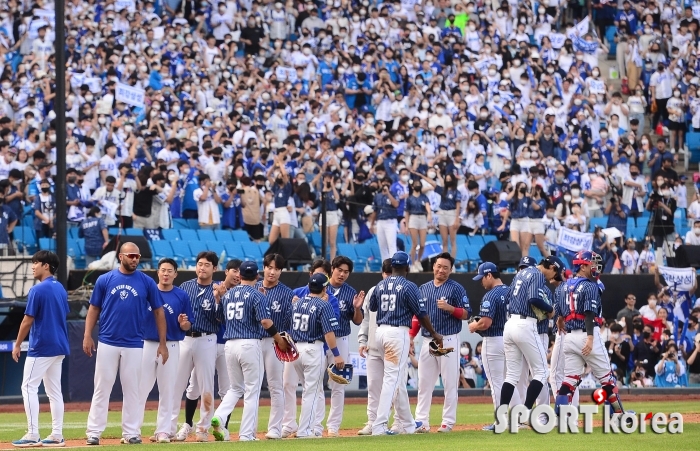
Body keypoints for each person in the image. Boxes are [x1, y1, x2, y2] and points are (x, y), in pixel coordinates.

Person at [83, 242, 168, 445]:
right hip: (107, 340)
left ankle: (131, 432)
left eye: (137, 256)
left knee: (132, 389)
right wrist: (87, 335)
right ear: (120, 256)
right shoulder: (105, 280)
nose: (135, 259)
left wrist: (163, 343)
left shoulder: (147, 282)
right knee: (102, 387)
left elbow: (159, 312)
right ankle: (94, 432)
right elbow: (94, 309)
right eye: (131, 255)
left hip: (133, 343)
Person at [210, 261, 290, 442]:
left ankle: (220, 416)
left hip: (230, 344)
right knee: (252, 390)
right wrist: (279, 339)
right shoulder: (257, 295)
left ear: (240, 276)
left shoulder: (229, 295)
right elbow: (266, 322)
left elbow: (219, 318)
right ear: (257, 277)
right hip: (249, 343)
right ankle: (246, 434)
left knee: (235, 388)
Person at [368, 251, 443, 435]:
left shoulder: (380, 284)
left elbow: (372, 307)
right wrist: (433, 333)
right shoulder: (409, 286)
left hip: (380, 332)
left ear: (392, 267)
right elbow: (421, 313)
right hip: (396, 333)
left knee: (398, 380)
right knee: (392, 379)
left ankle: (408, 425)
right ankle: (379, 425)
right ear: (407, 267)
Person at [554, 251, 629, 422]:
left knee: (569, 381)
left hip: (569, 337)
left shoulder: (562, 286)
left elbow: (558, 313)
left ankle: (560, 418)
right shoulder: (590, 286)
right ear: (582, 265)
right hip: (588, 335)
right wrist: (589, 338)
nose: (594, 267)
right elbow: (589, 314)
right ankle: (618, 416)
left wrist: (559, 321)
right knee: (608, 380)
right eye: (591, 264)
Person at [11, 251, 69, 447]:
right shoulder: (60, 287)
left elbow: (28, 320)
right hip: (60, 345)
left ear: (46, 266)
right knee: (54, 392)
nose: (33, 265)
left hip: (42, 345)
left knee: (28, 387)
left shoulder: (38, 290)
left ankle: (33, 434)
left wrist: (17, 344)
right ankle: (57, 435)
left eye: (36, 262)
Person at [498, 255, 562, 425]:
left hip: (510, 323)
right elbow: (534, 298)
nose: (552, 279)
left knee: (511, 375)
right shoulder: (537, 274)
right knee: (542, 372)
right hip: (525, 324)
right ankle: (525, 413)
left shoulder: (520, 273)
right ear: (552, 268)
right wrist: (550, 310)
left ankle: (500, 418)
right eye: (555, 274)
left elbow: (508, 299)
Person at [413, 252, 470, 433]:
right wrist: (410, 336)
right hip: (428, 339)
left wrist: (451, 308)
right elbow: (417, 315)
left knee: (449, 382)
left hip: (448, 339)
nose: (441, 270)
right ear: (434, 266)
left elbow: (467, 313)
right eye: (438, 266)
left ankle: (447, 422)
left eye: (445, 267)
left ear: (451, 270)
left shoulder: (456, 288)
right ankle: (421, 421)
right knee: (424, 383)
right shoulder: (423, 288)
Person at [172, 252, 225, 442]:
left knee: (206, 387)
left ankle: (203, 428)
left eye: (207, 265)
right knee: (177, 384)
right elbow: (177, 313)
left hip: (207, 338)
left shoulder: (218, 289)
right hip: (185, 338)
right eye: (200, 264)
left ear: (214, 268)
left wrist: (219, 299)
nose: (202, 268)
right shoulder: (185, 287)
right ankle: (170, 427)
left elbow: (221, 319)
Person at [138, 258, 192, 443]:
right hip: (147, 342)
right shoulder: (148, 292)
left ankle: (163, 431)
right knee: (140, 388)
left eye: (170, 270)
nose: (166, 273)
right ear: (158, 272)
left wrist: (184, 324)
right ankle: (133, 430)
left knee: (168, 389)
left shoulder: (181, 296)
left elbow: (187, 325)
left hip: (171, 344)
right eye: (163, 270)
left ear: (175, 274)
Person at [289, 273, 344, 439]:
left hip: (296, 349)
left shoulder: (297, 302)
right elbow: (329, 333)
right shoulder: (323, 304)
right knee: (311, 392)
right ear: (325, 288)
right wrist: (337, 354)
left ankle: (312, 428)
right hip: (313, 349)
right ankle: (305, 430)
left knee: (309, 390)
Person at [469, 262, 514, 431]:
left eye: (482, 278)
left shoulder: (490, 295)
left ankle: (500, 422)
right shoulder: (511, 291)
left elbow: (486, 323)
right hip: (511, 340)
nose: (481, 282)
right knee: (510, 381)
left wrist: (474, 326)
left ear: (489, 275)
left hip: (494, 340)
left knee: (496, 384)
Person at [254, 253, 294, 440]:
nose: (272, 271)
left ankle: (275, 428)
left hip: (274, 342)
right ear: (264, 268)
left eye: (276, 268)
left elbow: (289, 321)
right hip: (253, 341)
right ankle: (249, 428)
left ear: (281, 271)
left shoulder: (286, 293)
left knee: (276, 386)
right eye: (269, 267)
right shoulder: (253, 287)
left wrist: (283, 340)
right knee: (251, 387)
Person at [325, 256, 365, 436]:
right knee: (315, 382)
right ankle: (313, 425)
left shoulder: (350, 292)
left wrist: (357, 308)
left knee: (338, 384)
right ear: (332, 269)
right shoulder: (321, 286)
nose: (342, 274)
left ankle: (333, 426)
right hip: (320, 339)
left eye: (346, 272)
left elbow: (357, 321)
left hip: (340, 338)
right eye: (339, 270)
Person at [405, 180, 432, 270]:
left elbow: (428, 207)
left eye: (419, 184)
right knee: (414, 244)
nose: (418, 186)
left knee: (422, 244)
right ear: (412, 187)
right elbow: (407, 212)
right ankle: (412, 264)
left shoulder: (424, 197)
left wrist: (429, 214)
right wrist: (406, 225)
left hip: (422, 218)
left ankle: (418, 261)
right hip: (413, 218)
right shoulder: (409, 198)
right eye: (416, 184)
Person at [370, 179, 399, 261]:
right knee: (382, 245)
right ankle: (385, 265)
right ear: (381, 184)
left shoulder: (394, 194)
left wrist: (388, 194)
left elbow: (396, 204)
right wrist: (372, 224)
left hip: (391, 221)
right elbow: (375, 211)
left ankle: (394, 264)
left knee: (391, 244)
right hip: (380, 221)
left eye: (387, 183)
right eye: (384, 182)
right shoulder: (377, 196)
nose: (385, 184)